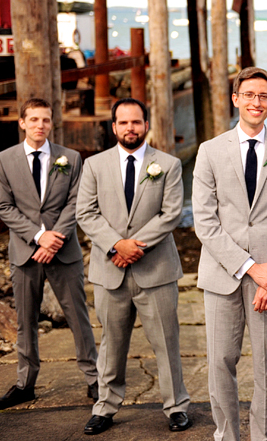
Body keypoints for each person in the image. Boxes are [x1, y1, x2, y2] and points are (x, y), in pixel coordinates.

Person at [193, 67, 267, 441]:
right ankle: (226, 435)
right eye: (249, 95)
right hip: (222, 275)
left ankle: (266, 437)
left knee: (266, 365)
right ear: (236, 99)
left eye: (263, 96)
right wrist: (249, 268)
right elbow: (205, 221)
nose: (256, 102)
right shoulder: (209, 151)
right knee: (221, 363)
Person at [76, 98, 191, 435]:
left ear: (146, 125)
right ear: (114, 127)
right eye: (123, 123)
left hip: (156, 270)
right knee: (111, 343)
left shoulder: (167, 165)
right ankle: (106, 407)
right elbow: (86, 213)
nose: (130, 128)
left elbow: (171, 213)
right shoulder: (94, 165)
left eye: (136, 122)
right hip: (109, 269)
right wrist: (116, 245)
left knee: (167, 343)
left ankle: (176, 407)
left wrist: (133, 247)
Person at [0, 98, 98, 410]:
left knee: (79, 317)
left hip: (64, 252)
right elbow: (4, 207)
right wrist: (39, 237)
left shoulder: (71, 158)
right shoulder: (3, 160)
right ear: (22, 122)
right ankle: (25, 384)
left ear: (52, 123)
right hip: (25, 253)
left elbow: (76, 202)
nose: (40, 125)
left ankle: (94, 380)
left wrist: (55, 239)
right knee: (25, 322)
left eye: (46, 120)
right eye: (34, 120)